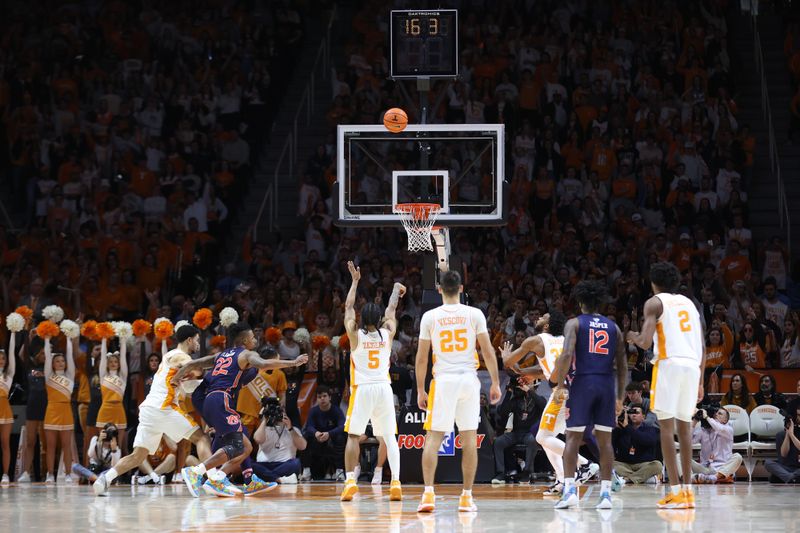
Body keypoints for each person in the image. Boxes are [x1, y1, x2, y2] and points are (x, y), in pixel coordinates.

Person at [176, 322, 308, 497]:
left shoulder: (221, 355)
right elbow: (262, 364)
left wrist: (177, 377)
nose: (255, 340)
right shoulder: (246, 354)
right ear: (245, 340)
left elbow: (195, 363)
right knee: (237, 446)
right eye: (253, 337)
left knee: (245, 447)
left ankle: (219, 478)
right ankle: (196, 472)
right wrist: (293, 362)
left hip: (210, 400)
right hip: (221, 399)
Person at [415, 270, 502, 513]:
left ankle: (429, 495)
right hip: (468, 381)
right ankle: (466, 497)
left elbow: (422, 358)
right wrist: (495, 382)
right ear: (461, 289)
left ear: (439, 289)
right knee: (469, 440)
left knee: (433, 438)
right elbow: (487, 350)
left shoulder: (430, 317)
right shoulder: (475, 314)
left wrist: (420, 389)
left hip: (443, 381)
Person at [93, 325, 214, 496]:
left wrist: (204, 383)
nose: (198, 344)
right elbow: (195, 367)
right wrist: (217, 362)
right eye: (196, 340)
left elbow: (187, 388)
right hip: (163, 407)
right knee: (201, 438)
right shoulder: (179, 355)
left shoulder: (168, 357)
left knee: (138, 456)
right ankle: (215, 480)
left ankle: (105, 479)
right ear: (189, 340)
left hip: (149, 409)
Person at [627, 262, 705, 509]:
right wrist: (701, 381)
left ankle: (674, 491)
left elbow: (645, 341)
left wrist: (630, 335)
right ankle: (688, 492)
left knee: (665, 428)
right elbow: (702, 345)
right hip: (692, 366)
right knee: (684, 430)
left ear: (653, 283)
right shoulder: (690, 304)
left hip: (669, 363)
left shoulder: (654, 302)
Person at [501, 311, 599, 495]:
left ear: (547, 326)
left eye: (543, 317)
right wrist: (524, 371)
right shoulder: (565, 340)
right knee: (547, 436)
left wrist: (506, 356)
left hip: (562, 392)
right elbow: (543, 369)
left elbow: (508, 362)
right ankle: (562, 481)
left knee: (542, 437)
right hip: (578, 390)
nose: (538, 318)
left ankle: (585, 464)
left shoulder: (535, 341)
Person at [550, 280, 627, 510]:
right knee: (605, 441)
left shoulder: (574, 323)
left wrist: (560, 383)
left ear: (580, 302)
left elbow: (566, 355)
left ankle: (570, 489)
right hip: (605, 384)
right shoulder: (614, 327)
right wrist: (620, 397)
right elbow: (622, 364)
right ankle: (605, 495)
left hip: (582, 383)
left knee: (573, 438)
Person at [340, 261, 405, 502]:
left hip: (363, 389)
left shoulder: (355, 336)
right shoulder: (387, 334)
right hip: (384, 389)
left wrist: (355, 281)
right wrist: (395, 290)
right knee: (389, 437)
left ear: (361, 318)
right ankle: (396, 482)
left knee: (353, 436)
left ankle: (349, 482)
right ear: (377, 319)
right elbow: (391, 311)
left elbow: (347, 306)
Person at [491, 378, 545, 484]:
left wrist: (529, 390)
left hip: (530, 433)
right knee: (499, 442)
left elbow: (543, 405)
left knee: (532, 440)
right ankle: (501, 473)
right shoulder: (516, 400)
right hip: (515, 433)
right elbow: (503, 412)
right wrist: (509, 392)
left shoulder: (539, 399)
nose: (524, 386)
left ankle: (527, 472)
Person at [42, 333, 76, 484]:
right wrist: (47, 338)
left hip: (66, 411)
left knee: (66, 446)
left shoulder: (70, 375)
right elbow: (47, 358)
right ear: (53, 364)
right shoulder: (48, 375)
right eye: (57, 361)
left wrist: (69, 338)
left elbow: (71, 357)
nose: (61, 363)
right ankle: (50, 474)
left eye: (62, 361)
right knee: (50, 446)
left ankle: (68, 474)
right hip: (52, 411)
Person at [236, 346, 288, 435]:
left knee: (264, 444)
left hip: (266, 414)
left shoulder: (279, 374)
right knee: (243, 444)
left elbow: (282, 394)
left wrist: (281, 410)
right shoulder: (250, 370)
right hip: (246, 412)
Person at [253, 399, 307, 483]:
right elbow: (258, 439)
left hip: (285, 465)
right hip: (265, 464)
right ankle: (280, 479)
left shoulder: (293, 430)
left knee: (296, 463)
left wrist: (290, 428)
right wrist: (264, 420)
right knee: (251, 465)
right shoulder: (264, 429)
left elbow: (303, 446)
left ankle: (268, 478)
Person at [17, 338, 47, 482]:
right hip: (32, 408)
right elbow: (21, 355)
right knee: (30, 442)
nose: (44, 355)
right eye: (41, 353)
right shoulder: (30, 366)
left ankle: (48, 474)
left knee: (46, 444)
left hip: (47, 408)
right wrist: (28, 336)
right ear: (36, 354)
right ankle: (26, 473)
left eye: (45, 353)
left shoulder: (50, 368)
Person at [302, 385, 346, 480]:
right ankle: (306, 470)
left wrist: (329, 434)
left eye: (325, 396)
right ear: (317, 399)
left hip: (332, 437)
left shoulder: (336, 410)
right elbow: (309, 426)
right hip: (318, 437)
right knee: (305, 438)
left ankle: (339, 470)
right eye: (319, 397)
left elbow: (342, 426)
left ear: (330, 397)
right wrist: (316, 433)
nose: (322, 399)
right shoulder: (313, 411)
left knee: (341, 437)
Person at [689, 407, 742, 483]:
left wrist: (707, 417)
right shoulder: (703, 430)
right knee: (679, 456)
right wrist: (694, 421)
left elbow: (718, 428)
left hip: (721, 469)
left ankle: (714, 478)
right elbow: (688, 442)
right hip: (705, 468)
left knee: (738, 457)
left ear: (725, 420)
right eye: (716, 413)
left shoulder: (728, 429)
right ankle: (691, 478)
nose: (716, 414)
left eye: (720, 413)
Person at [612, 404, 663, 484]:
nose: (634, 415)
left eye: (637, 412)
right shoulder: (621, 429)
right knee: (611, 464)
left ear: (643, 417)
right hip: (625, 465)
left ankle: (627, 479)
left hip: (644, 464)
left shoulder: (650, 429)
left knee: (657, 465)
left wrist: (628, 427)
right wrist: (615, 428)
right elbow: (612, 447)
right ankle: (644, 478)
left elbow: (646, 441)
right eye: (631, 412)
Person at [96, 342, 128, 455]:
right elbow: (103, 355)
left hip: (119, 411)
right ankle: (103, 469)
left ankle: (117, 471)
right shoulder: (103, 375)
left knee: (118, 445)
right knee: (102, 443)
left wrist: (123, 338)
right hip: (105, 410)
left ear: (119, 364)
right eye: (110, 362)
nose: (113, 364)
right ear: (106, 363)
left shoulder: (123, 376)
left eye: (115, 362)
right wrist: (104, 339)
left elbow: (123, 357)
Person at [765, 405, 800, 483]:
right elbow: (784, 454)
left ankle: (786, 477)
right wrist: (788, 434)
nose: (798, 418)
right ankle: (791, 478)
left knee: (774, 478)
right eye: (797, 415)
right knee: (768, 463)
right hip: (787, 467)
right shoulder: (781, 435)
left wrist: (792, 435)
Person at [0, 345, 15, 484]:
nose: (1, 360)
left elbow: (12, 355)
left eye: (3, 358)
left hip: (4, 410)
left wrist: (13, 333)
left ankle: (5, 474)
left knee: (5, 444)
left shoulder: (8, 375)